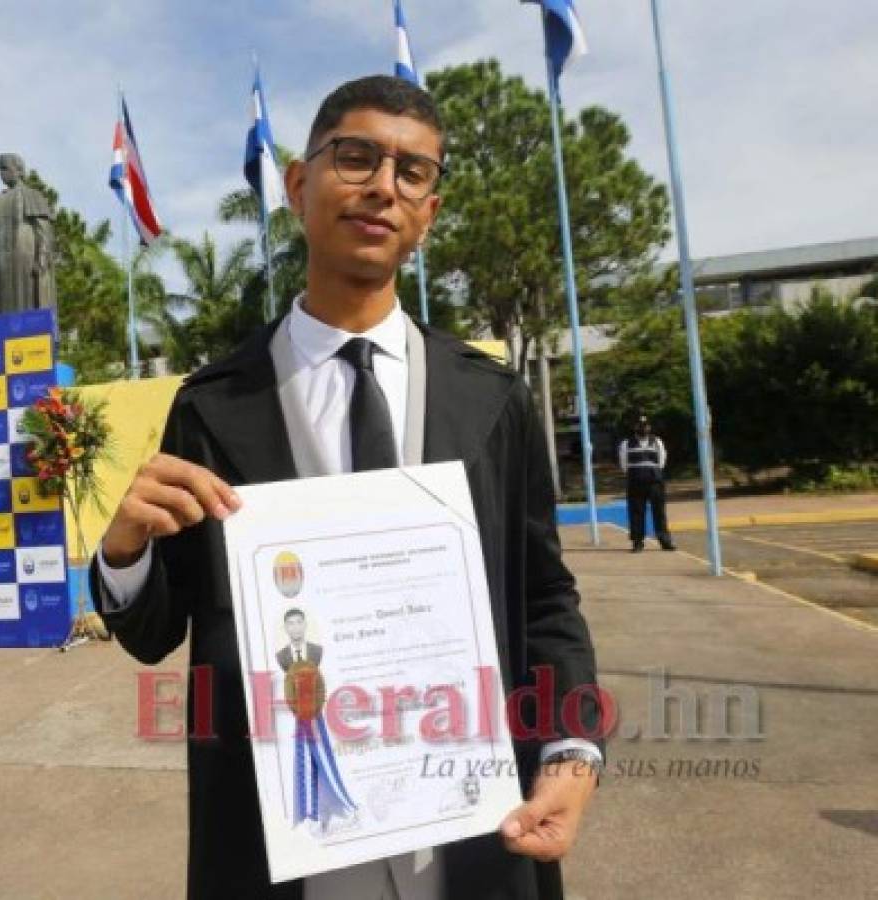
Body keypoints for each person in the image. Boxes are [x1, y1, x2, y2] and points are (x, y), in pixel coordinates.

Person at [92, 76, 604, 899]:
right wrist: (124, 555)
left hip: (469, 832)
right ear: (298, 184)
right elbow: (157, 632)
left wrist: (571, 752)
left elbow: (545, 598)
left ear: (428, 216)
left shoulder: (492, 401)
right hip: (285, 841)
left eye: (412, 172)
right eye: (356, 157)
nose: (381, 187)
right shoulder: (214, 406)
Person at [0, 152, 56, 315]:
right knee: (4, 306)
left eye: (5, 168)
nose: (2, 173)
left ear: (19, 170)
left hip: (25, 259)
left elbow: (43, 230)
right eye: (0, 170)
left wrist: (41, 258)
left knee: (27, 302)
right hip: (2, 263)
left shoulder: (33, 195)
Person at [617, 415, 676, 553]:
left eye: (646, 425)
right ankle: (637, 542)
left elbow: (661, 462)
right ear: (635, 427)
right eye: (640, 425)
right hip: (635, 483)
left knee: (659, 512)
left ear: (649, 427)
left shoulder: (657, 442)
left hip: (655, 483)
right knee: (636, 513)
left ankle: (664, 540)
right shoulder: (626, 444)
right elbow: (624, 464)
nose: (643, 428)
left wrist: (651, 473)